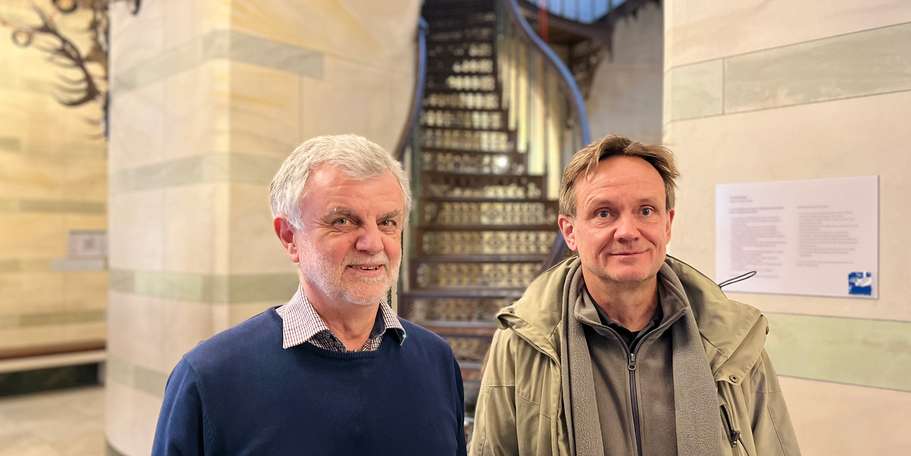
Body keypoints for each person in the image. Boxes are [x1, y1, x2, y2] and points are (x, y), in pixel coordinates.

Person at [469, 135, 800, 456]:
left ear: (667, 225)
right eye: (604, 213)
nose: (628, 232)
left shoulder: (733, 341)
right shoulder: (521, 343)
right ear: (570, 231)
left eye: (646, 211)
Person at [152, 134, 466, 455]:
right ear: (289, 237)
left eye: (387, 222)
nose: (373, 243)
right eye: (343, 221)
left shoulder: (437, 362)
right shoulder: (210, 378)